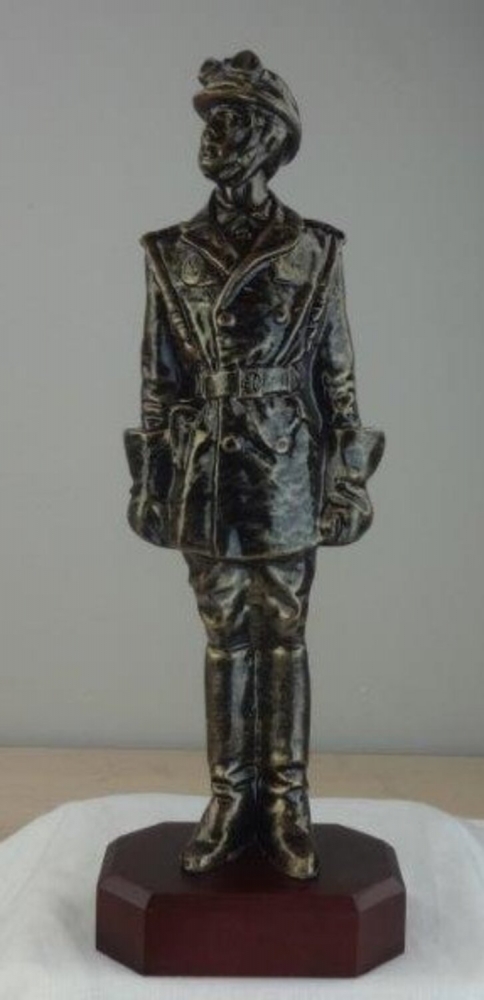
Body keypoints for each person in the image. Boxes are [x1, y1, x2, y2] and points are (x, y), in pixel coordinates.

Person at [125, 50, 384, 879]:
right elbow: (160, 378)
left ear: (271, 139)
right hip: (207, 468)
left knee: (282, 633)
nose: (214, 134)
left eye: (234, 120)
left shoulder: (315, 250)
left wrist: (345, 480)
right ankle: (228, 797)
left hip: (283, 465)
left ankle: (286, 802)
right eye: (210, 120)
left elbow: (337, 379)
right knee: (223, 635)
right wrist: (152, 479)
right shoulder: (170, 250)